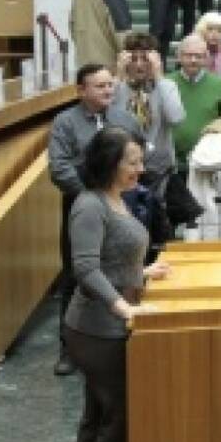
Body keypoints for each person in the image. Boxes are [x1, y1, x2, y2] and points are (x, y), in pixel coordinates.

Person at [64, 125, 171, 442]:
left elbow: (111, 260)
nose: (140, 170)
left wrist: (141, 272)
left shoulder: (116, 200)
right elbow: (86, 269)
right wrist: (123, 304)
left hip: (109, 322)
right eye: (133, 162)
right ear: (110, 162)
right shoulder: (89, 205)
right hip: (97, 329)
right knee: (119, 420)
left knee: (98, 419)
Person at [47, 65, 142, 377]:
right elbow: (60, 168)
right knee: (78, 273)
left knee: (121, 265)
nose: (107, 91)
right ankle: (69, 348)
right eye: (99, 86)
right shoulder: (65, 122)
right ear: (81, 90)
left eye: (110, 85)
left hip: (122, 204)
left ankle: (122, 326)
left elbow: (140, 155)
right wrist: (96, 194)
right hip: (82, 206)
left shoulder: (125, 120)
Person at [112, 32, 184, 202]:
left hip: (159, 169)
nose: (139, 65)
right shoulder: (118, 87)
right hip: (123, 169)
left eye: (144, 59)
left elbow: (176, 118)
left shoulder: (167, 86)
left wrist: (159, 75)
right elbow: (112, 122)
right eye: (134, 59)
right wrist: (119, 75)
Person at [169, 33, 221, 172]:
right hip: (172, 164)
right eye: (188, 55)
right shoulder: (166, 83)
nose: (193, 60)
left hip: (210, 164)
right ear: (179, 57)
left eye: (198, 56)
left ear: (206, 58)